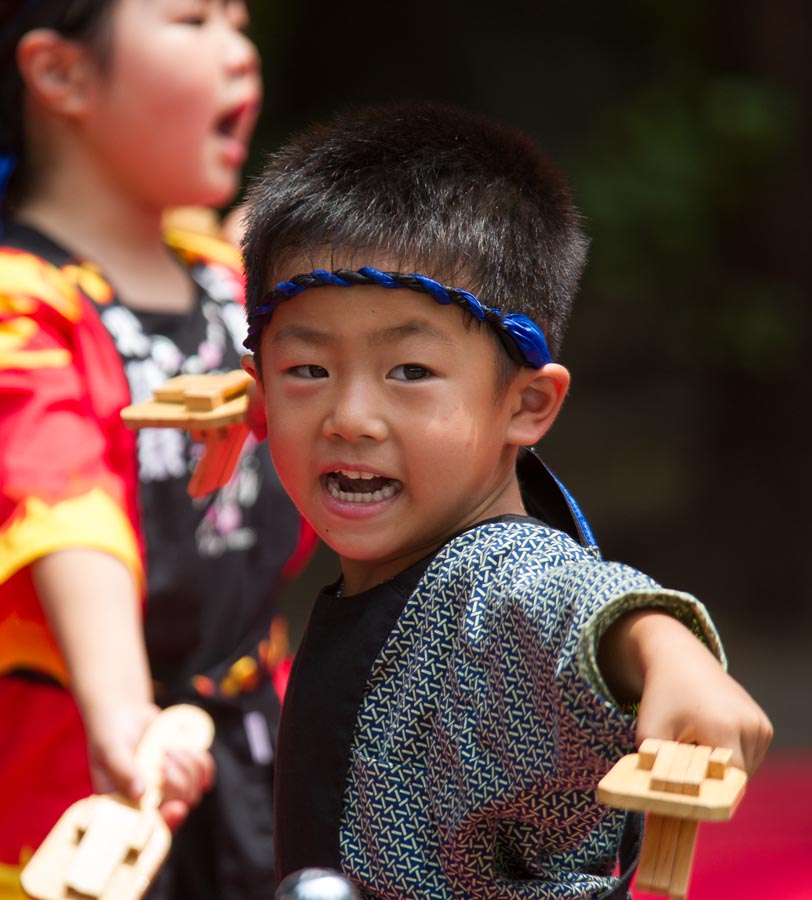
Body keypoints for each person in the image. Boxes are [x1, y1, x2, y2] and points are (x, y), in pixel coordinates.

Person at [239, 102, 774, 900]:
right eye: (307, 370)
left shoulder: (492, 577)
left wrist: (668, 651)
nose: (349, 417)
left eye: (409, 372)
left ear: (527, 404)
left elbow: (572, 606)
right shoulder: (405, 564)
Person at [0, 2, 310, 899]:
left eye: (240, 21)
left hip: (257, 748)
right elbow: (60, 497)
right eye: (194, 18)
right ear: (61, 74)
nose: (240, 53)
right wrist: (121, 712)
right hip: (84, 783)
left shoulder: (225, 277)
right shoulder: (20, 303)